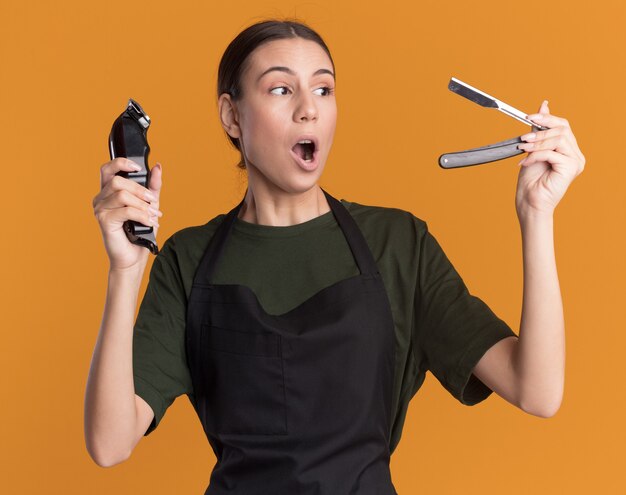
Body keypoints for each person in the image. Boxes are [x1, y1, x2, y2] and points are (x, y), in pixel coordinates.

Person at [85, 18, 585, 494]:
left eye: (323, 89)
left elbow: (536, 389)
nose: (310, 109)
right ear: (232, 116)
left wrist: (536, 214)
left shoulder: (398, 244)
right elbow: (109, 443)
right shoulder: (187, 260)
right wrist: (125, 270)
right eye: (282, 89)